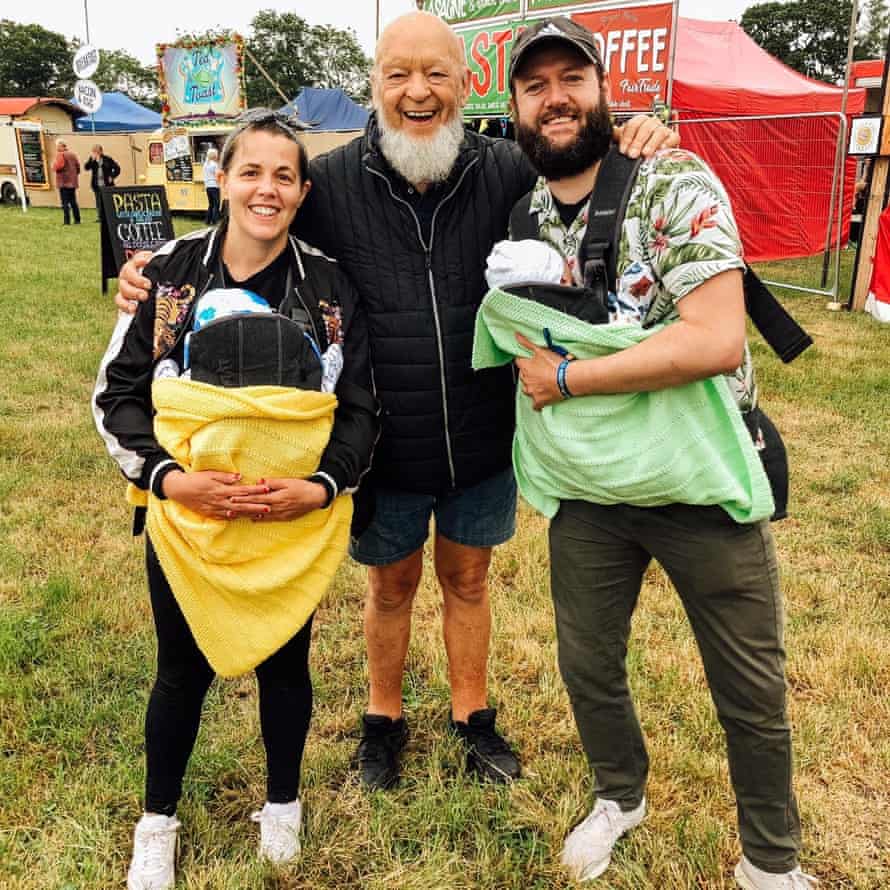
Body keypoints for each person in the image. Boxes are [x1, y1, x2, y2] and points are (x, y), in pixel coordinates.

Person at [114, 11, 677, 792]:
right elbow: (248, 235)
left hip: (484, 432)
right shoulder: (333, 183)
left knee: (470, 579)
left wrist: (634, 136)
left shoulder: (510, 169)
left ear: (465, 84)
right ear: (373, 85)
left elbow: (581, 164)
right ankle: (382, 720)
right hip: (381, 440)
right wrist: (149, 278)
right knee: (390, 585)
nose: (418, 92)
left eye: (436, 74)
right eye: (398, 74)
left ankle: (472, 716)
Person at [488, 17, 815, 888]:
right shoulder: (521, 210)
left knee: (749, 686)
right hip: (592, 490)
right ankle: (619, 796)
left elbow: (713, 340)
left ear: (604, 88)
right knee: (587, 662)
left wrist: (568, 377)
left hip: (696, 477)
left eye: (572, 78)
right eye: (535, 84)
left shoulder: (671, 179)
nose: (555, 98)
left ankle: (770, 865)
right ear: (514, 105)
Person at [93, 109, 377, 890]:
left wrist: (319, 487)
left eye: (284, 175)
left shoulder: (327, 289)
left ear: (303, 190)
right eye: (250, 170)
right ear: (221, 178)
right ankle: (158, 823)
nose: (267, 188)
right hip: (186, 523)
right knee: (179, 671)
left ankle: (281, 805)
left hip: (289, 523)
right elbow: (115, 396)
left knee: (288, 666)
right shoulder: (169, 275)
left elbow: (358, 407)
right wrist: (168, 479)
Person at [85, 144, 121, 223]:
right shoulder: (92, 159)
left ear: (101, 151)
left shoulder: (107, 159)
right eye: (94, 152)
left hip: (107, 185)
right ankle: (100, 217)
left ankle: (110, 216)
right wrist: (91, 160)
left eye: (97, 152)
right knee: (99, 201)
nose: (95, 153)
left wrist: (112, 176)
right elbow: (86, 167)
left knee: (108, 201)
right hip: (96, 184)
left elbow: (117, 168)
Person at [53, 139, 81, 225]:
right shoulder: (73, 154)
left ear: (61, 146)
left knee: (65, 202)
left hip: (63, 182)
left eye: (57, 146)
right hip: (72, 182)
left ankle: (67, 221)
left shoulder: (60, 154)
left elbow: (59, 166)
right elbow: (78, 167)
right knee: (73, 201)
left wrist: (53, 166)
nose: (56, 147)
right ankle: (77, 220)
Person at [203, 146, 221, 224]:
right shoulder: (215, 164)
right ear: (214, 156)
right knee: (216, 204)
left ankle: (207, 220)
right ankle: (214, 221)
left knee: (211, 204)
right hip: (214, 186)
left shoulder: (205, 164)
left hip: (207, 186)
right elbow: (217, 176)